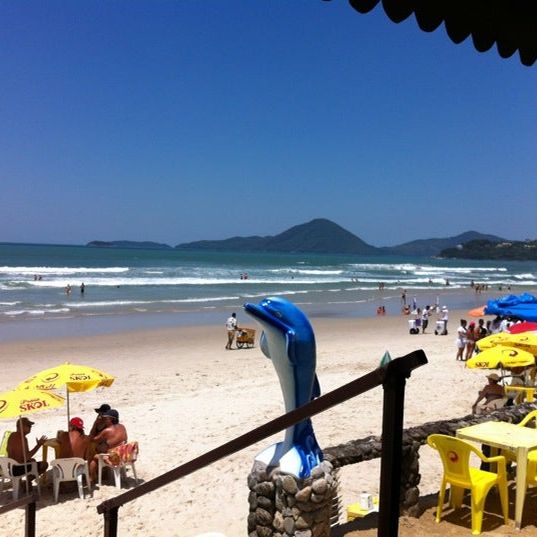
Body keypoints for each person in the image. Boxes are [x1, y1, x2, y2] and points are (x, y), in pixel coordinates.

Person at [88, 408, 128, 483]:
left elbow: (92, 439)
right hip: (122, 455)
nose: (104, 420)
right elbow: (125, 439)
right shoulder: (122, 427)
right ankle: (103, 473)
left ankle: (91, 479)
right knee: (101, 450)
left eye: (105, 419)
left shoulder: (107, 431)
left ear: (111, 419)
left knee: (93, 457)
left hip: (112, 457)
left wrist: (95, 424)